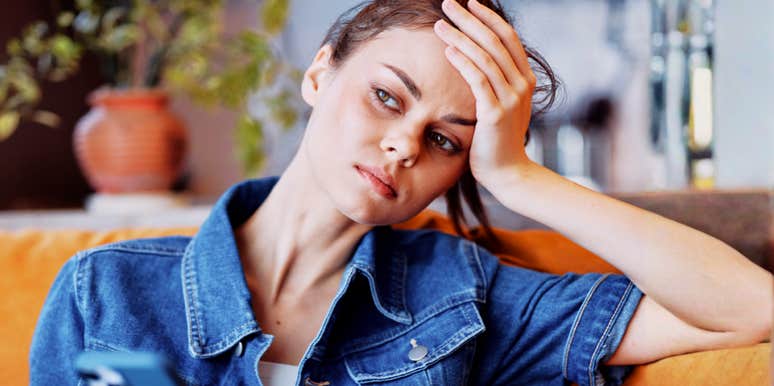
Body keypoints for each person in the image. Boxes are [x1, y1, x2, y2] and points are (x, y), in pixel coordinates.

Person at [30, 0, 771, 385]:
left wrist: (521, 178)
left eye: (447, 139)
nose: (404, 145)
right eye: (388, 97)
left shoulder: (465, 301)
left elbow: (750, 308)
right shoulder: (104, 294)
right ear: (319, 74)